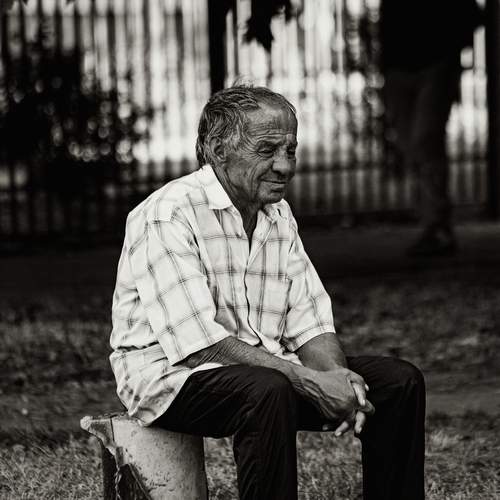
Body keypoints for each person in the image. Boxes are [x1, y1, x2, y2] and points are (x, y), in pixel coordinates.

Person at [110, 85, 425, 499]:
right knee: (266, 390)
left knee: (398, 382)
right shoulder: (168, 213)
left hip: (262, 369)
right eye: (267, 150)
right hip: (168, 378)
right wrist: (306, 381)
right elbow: (198, 345)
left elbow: (310, 320)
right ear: (218, 150)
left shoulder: (277, 214)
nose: (284, 166)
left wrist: (333, 378)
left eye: (291, 150)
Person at [380, 0, 483, 257]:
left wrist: (448, 50)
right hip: (401, 66)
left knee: (424, 141)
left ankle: (436, 224)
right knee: (414, 146)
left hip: (433, 63)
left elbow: (470, 15)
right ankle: (433, 222)